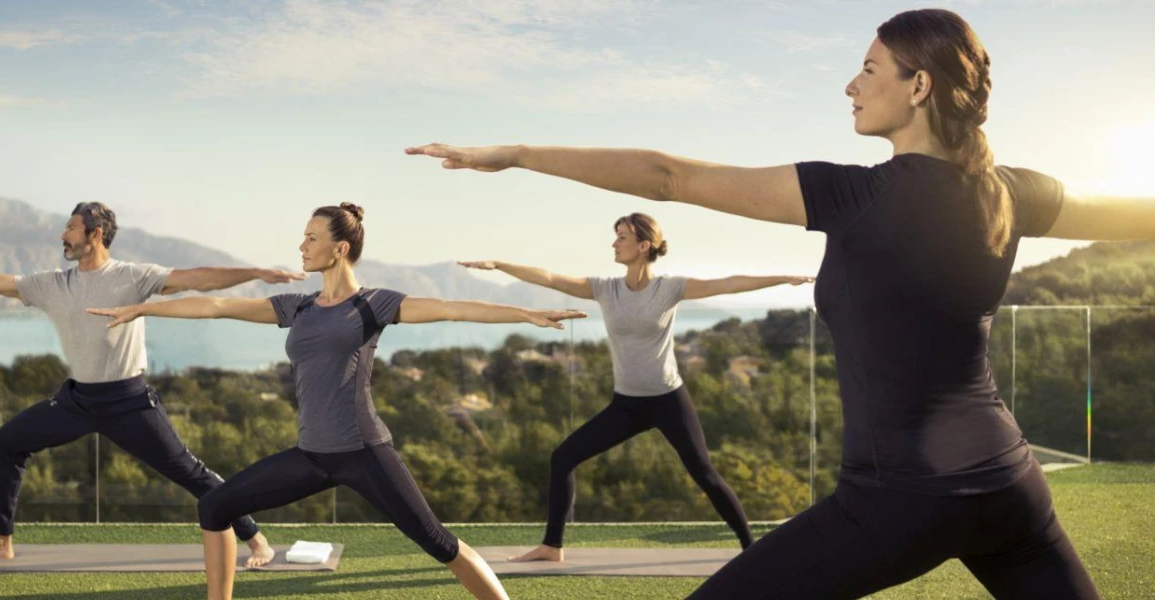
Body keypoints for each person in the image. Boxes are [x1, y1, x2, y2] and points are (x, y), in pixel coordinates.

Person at [405, 8, 1151, 597]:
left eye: (868, 68)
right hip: (1009, 487)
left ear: (919, 86)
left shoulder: (854, 193)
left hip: (897, 500)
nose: (852, 85)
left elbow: (667, 176)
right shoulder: (1015, 192)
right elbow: (1137, 214)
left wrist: (519, 153)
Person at [90, 202, 585, 600]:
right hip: (311, 455)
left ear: (339, 247)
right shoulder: (297, 307)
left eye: (311, 238)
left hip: (364, 453)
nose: (301, 246)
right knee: (216, 506)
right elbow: (218, 307)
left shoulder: (373, 305)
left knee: (439, 543)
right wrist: (144, 308)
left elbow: (453, 308)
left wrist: (525, 313)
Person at [0, 201, 301, 566]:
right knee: (6, 442)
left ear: (95, 234)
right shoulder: (53, 284)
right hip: (77, 400)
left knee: (189, 472)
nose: (63, 236)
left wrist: (254, 272)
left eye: (70, 228)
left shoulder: (132, 276)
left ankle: (255, 537)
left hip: (128, 400)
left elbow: (196, 278)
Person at [461, 211, 811, 561]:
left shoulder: (669, 288)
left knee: (705, 474)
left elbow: (730, 283)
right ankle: (552, 546)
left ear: (643, 245)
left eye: (622, 237)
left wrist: (783, 278)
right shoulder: (605, 289)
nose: (614, 243)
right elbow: (552, 278)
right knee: (563, 458)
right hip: (626, 405)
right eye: (615, 236)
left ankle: (751, 550)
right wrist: (498, 264)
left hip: (668, 400)